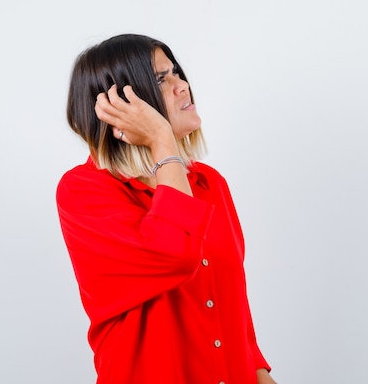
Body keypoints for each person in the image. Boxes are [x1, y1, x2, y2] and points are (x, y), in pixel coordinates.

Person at [56, 34, 277, 384]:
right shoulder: (83, 192)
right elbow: (175, 254)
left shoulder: (209, 184)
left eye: (176, 73)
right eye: (162, 79)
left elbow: (233, 309)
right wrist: (161, 139)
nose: (183, 86)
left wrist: (262, 375)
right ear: (120, 106)